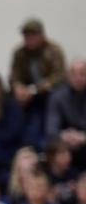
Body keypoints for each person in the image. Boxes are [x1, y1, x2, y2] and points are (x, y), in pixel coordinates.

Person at [10, 18, 67, 146]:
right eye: (26, 36)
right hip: (27, 95)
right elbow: (14, 76)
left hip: (49, 93)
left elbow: (59, 76)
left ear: (41, 35)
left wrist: (33, 90)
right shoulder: (19, 53)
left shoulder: (54, 50)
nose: (29, 39)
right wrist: (18, 88)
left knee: (52, 99)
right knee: (11, 102)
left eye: (32, 35)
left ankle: (45, 143)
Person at [45, 59, 86, 167]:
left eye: (82, 73)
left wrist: (82, 137)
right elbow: (51, 129)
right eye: (74, 74)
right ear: (68, 76)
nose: (78, 78)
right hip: (64, 144)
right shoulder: (57, 96)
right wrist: (64, 136)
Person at [44, 140, 76, 204]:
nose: (67, 158)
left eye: (68, 154)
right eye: (62, 154)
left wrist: (78, 190)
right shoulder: (45, 176)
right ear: (52, 157)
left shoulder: (74, 174)